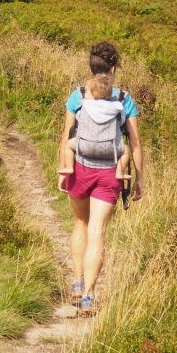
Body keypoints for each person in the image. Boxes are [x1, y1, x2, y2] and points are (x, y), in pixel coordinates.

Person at [58, 41, 144, 315]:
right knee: (98, 231)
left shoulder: (79, 95)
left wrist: (64, 168)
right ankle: (89, 296)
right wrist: (139, 179)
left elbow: (67, 136)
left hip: (80, 167)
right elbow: (135, 143)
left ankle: (76, 282)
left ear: (91, 66)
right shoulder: (123, 100)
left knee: (80, 222)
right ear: (114, 67)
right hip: (110, 171)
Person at [58, 72, 131, 180]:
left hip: (84, 146)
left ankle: (69, 167)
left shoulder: (85, 104)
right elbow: (122, 116)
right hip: (110, 149)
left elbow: (83, 103)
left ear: (92, 94)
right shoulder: (117, 106)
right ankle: (120, 172)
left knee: (68, 145)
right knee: (126, 151)